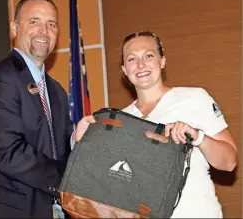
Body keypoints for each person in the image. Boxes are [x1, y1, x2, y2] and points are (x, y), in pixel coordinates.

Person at [75, 31, 238, 218]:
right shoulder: (120, 120)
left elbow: (229, 162)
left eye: (149, 55)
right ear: (124, 70)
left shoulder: (195, 98)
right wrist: (81, 143)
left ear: (162, 61)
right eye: (132, 59)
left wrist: (198, 137)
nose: (141, 65)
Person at [0, 0, 92, 219]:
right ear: (14, 28)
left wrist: (74, 140)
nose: (44, 30)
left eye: (51, 24)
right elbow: (8, 152)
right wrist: (70, 182)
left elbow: (54, 147)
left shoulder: (57, 91)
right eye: (34, 22)